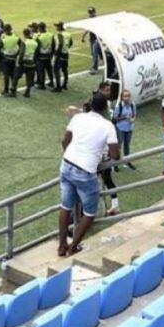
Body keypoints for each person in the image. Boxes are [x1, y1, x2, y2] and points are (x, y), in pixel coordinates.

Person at [58, 95, 120, 256]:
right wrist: (102, 158)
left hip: (67, 164)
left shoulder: (78, 117)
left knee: (65, 207)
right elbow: (115, 155)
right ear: (105, 109)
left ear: (90, 105)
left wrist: (72, 155)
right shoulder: (108, 125)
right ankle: (73, 248)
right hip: (85, 171)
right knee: (89, 213)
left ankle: (62, 245)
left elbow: (65, 141)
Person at [111, 90, 137, 170]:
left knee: (127, 145)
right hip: (120, 128)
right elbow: (114, 119)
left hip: (129, 128)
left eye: (128, 96)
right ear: (122, 97)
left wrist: (133, 119)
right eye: (125, 96)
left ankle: (127, 161)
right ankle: (115, 163)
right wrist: (124, 117)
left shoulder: (133, 105)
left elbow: (134, 115)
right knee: (118, 145)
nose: (127, 98)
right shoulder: (119, 106)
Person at [16, 28, 39, 98]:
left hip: (24, 62)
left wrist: (19, 62)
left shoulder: (24, 42)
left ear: (24, 34)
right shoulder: (35, 43)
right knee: (29, 78)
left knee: (16, 76)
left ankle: (13, 90)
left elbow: (21, 53)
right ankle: (27, 92)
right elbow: (36, 53)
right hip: (32, 63)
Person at [0, 24, 21, 96]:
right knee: (13, 75)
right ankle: (13, 90)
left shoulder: (3, 39)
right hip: (14, 59)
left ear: (4, 30)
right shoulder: (16, 37)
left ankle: (6, 90)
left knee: (6, 75)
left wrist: (0, 58)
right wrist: (17, 53)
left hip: (6, 58)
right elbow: (22, 47)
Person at [51, 21, 73, 92]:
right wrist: (66, 48)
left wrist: (56, 54)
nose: (56, 28)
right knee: (65, 70)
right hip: (66, 54)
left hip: (60, 54)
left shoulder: (59, 35)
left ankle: (58, 87)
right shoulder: (68, 34)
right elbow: (70, 43)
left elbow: (60, 44)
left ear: (60, 27)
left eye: (57, 26)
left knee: (56, 70)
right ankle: (65, 84)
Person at [81, 7, 102, 74]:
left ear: (94, 12)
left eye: (91, 12)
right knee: (96, 53)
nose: (90, 14)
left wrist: (83, 37)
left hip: (97, 39)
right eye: (89, 13)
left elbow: (88, 29)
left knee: (94, 53)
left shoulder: (97, 20)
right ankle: (109, 63)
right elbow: (87, 29)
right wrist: (83, 37)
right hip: (92, 39)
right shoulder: (90, 20)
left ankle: (95, 68)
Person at [35, 22, 55, 90]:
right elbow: (53, 45)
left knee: (41, 71)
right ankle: (51, 82)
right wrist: (52, 54)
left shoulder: (38, 37)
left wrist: (35, 57)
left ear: (40, 28)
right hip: (48, 55)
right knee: (49, 69)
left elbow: (37, 48)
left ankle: (42, 85)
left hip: (41, 56)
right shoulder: (50, 35)